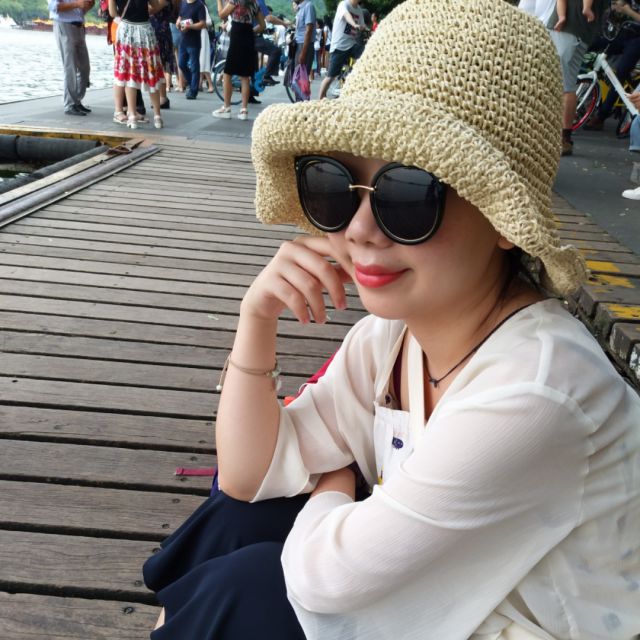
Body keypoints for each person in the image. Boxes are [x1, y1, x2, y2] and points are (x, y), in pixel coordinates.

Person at [143, 1, 640, 638]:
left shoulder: (537, 391)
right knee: (243, 521)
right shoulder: (396, 335)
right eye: (334, 185)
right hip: (464, 590)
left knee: (254, 584)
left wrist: (332, 479)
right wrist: (256, 320)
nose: (358, 230)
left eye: (409, 195)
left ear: (505, 222)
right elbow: (246, 476)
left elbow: (327, 581)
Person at [547, 0, 608, 155]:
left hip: (568, 27)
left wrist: (585, 8)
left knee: (561, 83)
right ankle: (564, 137)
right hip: (580, 30)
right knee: (567, 84)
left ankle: (561, 137)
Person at [109, 0, 166, 129]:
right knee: (151, 73)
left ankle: (132, 117)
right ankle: (157, 117)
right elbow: (155, 6)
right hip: (145, 30)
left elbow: (113, 13)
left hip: (126, 31)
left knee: (130, 74)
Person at [585, 0, 640, 130]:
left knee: (620, 73)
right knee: (591, 45)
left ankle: (601, 116)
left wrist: (628, 11)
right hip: (622, 33)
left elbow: (630, 12)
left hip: (637, 40)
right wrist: (615, 7)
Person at [212, 0, 266, 120]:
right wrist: (251, 31)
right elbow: (263, 26)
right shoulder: (255, 3)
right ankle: (244, 110)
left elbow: (221, 14)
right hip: (249, 38)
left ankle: (226, 108)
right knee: (245, 76)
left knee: (227, 73)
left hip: (237, 37)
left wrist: (219, 1)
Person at [48, 0, 94, 117]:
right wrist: (78, 4)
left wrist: (88, 4)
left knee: (84, 68)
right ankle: (69, 104)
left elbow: (82, 9)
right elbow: (54, 7)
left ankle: (76, 101)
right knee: (70, 67)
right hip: (64, 25)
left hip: (79, 26)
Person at [318, 0, 365, 100]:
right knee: (331, 76)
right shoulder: (344, 4)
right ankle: (320, 98)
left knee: (366, 55)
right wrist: (354, 24)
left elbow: (362, 25)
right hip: (339, 46)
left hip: (352, 45)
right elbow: (347, 16)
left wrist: (366, 28)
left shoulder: (359, 10)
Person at [150, 0, 177, 108]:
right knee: (158, 66)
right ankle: (162, 97)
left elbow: (151, 10)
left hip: (159, 33)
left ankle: (162, 97)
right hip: (159, 32)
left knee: (159, 65)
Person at [177, 0, 207, 99]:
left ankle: (193, 91)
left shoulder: (199, 5)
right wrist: (178, 21)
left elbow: (203, 23)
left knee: (194, 67)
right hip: (183, 40)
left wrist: (189, 26)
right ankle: (192, 84)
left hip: (194, 41)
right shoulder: (183, 3)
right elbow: (180, 16)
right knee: (181, 64)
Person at [293, 0, 316, 78]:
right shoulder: (300, 8)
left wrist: (303, 53)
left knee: (302, 76)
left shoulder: (308, 6)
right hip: (299, 44)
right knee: (298, 76)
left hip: (304, 45)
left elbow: (309, 30)